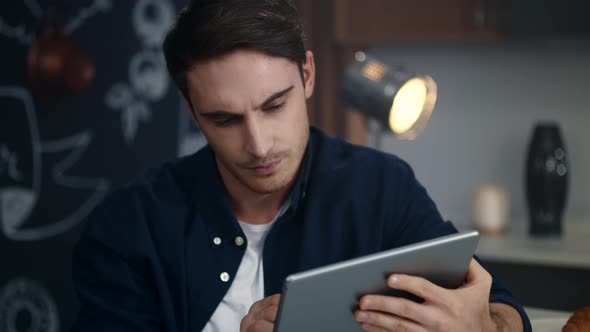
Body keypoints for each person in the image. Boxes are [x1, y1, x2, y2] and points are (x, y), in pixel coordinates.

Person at [72, 0, 532, 331]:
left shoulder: (379, 188)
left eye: (275, 105)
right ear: (191, 111)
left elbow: (506, 310)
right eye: (225, 119)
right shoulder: (128, 226)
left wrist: (488, 327)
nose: (258, 144)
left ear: (307, 75)